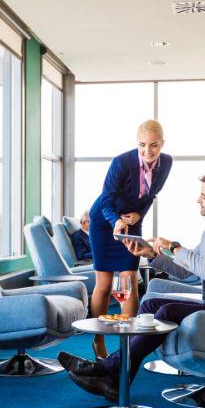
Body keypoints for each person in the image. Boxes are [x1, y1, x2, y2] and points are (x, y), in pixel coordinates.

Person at [59, 170, 205, 401]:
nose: (198, 200)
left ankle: (109, 369)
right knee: (152, 303)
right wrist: (151, 254)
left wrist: (176, 248)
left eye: (204, 196)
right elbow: (188, 273)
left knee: (167, 311)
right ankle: (118, 379)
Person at [87, 120, 173, 360]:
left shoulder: (166, 162)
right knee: (103, 285)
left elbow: (151, 195)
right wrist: (115, 220)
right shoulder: (121, 162)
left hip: (132, 220)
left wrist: (138, 215)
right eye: (142, 145)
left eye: (154, 145)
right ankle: (99, 339)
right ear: (137, 143)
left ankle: (129, 344)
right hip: (104, 223)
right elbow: (106, 199)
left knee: (130, 282)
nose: (148, 151)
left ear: (162, 144)